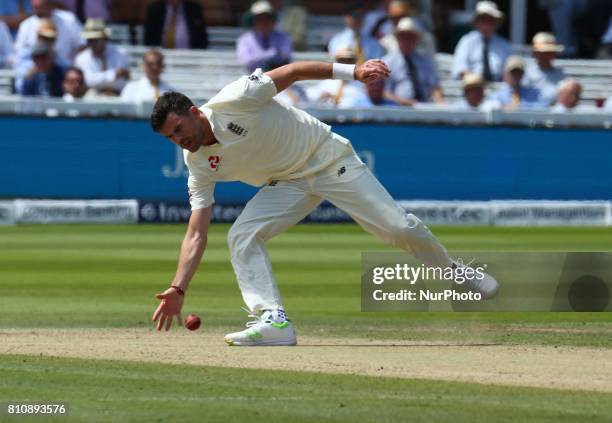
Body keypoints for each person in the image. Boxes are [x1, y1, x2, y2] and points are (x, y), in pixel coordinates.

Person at [148, 59, 500, 345]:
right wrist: (179, 287)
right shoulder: (196, 163)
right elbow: (196, 232)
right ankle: (274, 321)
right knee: (241, 234)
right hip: (288, 183)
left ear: (194, 112)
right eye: (170, 138)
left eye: (179, 129)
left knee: (396, 228)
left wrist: (355, 71)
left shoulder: (235, 98)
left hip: (328, 158)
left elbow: (294, 70)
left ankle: (454, 272)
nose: (180, 141)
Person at [381, 17, 443, 106]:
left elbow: (435, 87)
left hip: (424, 107)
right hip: (398, 108)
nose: (406, 41)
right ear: (397, 38)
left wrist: (440, 105)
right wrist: (405, 102)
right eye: (403, 37)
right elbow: (384, 93)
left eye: (410, 37)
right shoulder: (387, 62)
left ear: (416, 40)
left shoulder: (425, 61)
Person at [452, 1, 511, 82]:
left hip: (499, 88)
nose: (487, 24)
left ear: (496, 23)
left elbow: (510, 72)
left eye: (490, 20)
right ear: (477, 22)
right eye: (483, 20)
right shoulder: (467, 41)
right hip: (472, 87)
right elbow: (460, 69)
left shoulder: (504, 45)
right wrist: (476, 84)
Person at [14, 0, 83, 66]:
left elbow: (82, 45)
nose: (38, 12)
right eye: (35, 8)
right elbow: (20, 54)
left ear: (50, 5)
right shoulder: (26, 25)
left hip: (67, 71)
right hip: (35, 73)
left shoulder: (69, 20)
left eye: (41, 8)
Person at [74, 19, 129, 96]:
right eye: (89, 40)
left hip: (119, 93)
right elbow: (89, 81)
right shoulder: (82, 58)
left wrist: (99, 79)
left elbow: (122, 81)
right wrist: (113, 74)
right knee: (91, 95)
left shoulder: (120, 53)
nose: (91, 43)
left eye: (95, 40)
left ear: (105, 39)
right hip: (94, 95)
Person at [236, 1, 292, 73]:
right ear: (253, 21)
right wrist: (270, 54)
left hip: (280, 78)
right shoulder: (245, 40)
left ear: (273, 21)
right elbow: (247, 61)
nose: (264, 22)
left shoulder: (283, 37)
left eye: (267, 18)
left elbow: (286, 57)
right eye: (260, 19)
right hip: (254, 79)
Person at [308, 48, 373, 108]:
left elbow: (367, 106)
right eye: (341, 60)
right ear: (336, 62)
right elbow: (310, 97)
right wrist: (322, 95)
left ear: (355, 63)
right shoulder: (327, 82)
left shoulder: (360, 84)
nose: (345, 63)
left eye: (349, 61)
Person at [144, 0, 209, 50]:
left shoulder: (194, 10)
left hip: (189, 57)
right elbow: (149, 39)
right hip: (160, 59)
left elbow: (202, 39)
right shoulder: (155, 10)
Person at [524, 32, 566, 106]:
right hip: (532, 112)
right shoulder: (527, 73)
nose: (546, 56)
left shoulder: (561, 74)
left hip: (556, 113)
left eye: (549, 52)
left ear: (554, 54)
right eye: (542, 52)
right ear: (535, 54)